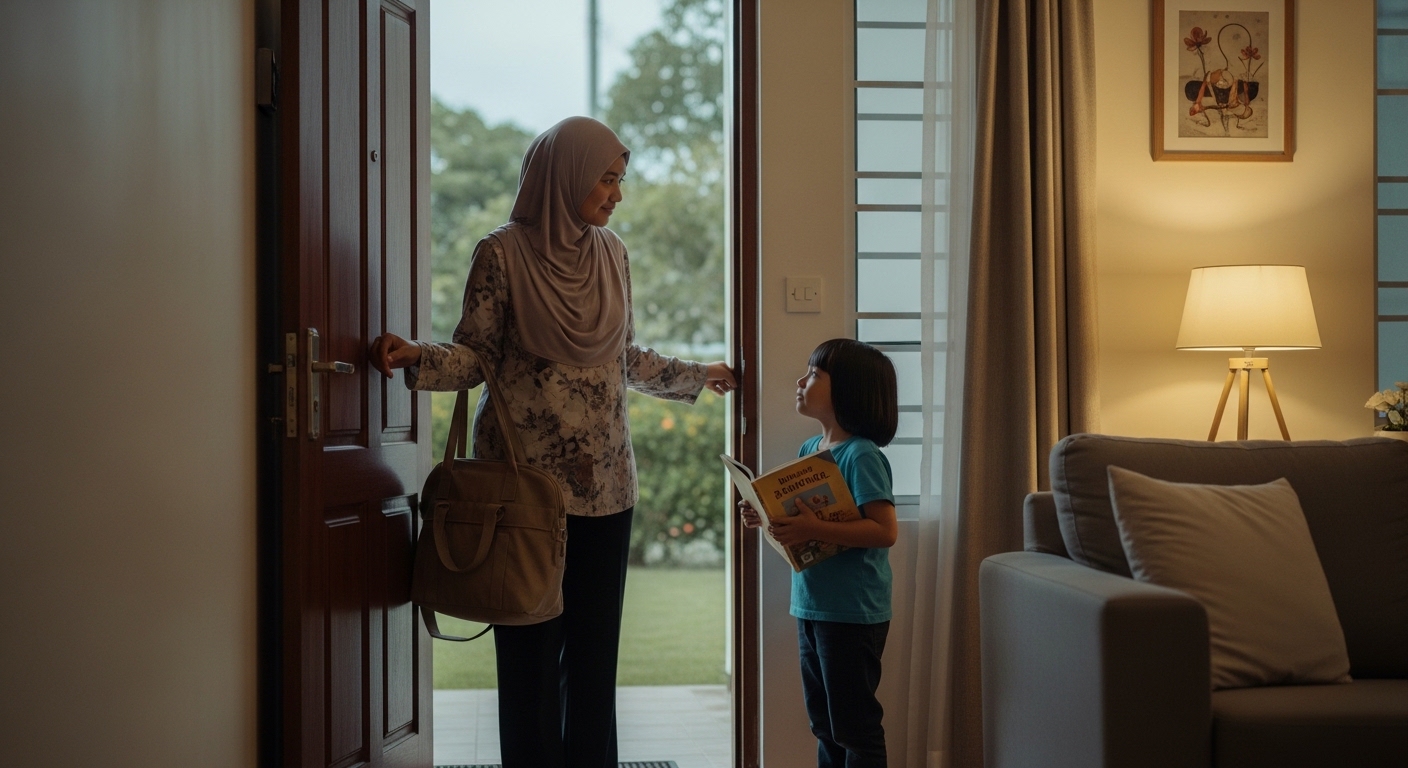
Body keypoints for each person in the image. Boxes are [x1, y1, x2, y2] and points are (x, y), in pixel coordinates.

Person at [368, 116, 735, 768]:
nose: (617, 194)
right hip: (524, 495)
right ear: (564, 175)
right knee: (531, 666)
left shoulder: (613, 253)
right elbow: (475, 356)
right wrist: (413, 357)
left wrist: (695, 377)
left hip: (609, 489)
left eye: (620, 180)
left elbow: (622, 357)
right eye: (607, 179)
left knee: (595, 668)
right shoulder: (501, 254)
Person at [739, 338, 898, 768]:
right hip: (813, 605)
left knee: (854, 726)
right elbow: (807, 535)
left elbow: (884, 531)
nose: (800, 381)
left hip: (852, 611)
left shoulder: (861, 455)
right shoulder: (810, 452)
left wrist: (812, 526)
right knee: (825, 724)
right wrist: (770, 520)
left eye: (814, 375)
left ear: (847, 390)